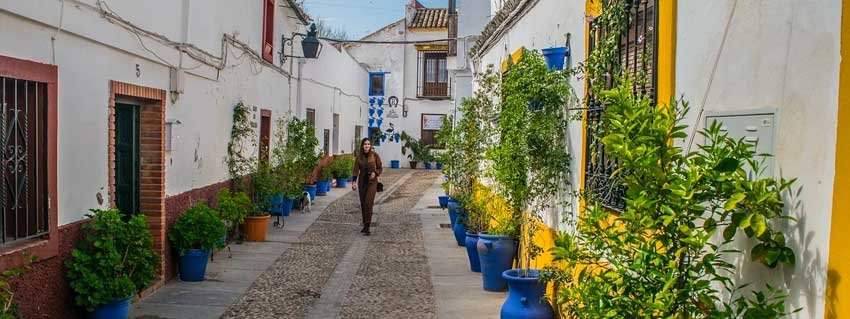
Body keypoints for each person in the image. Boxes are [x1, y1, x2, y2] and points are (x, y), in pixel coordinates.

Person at [352, 138, 382, 235]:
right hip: (362, 182)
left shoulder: (375, 155)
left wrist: (376, 173)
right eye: (365, 144)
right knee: (363, 203)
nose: (367, 146)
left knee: (369, 202)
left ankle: (368, 226)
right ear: (362, 145)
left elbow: (380, 167)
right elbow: (356, 170)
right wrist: (353, 182)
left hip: (372, 182)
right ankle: (365, 225)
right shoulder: (359, 157)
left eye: (369, 144)